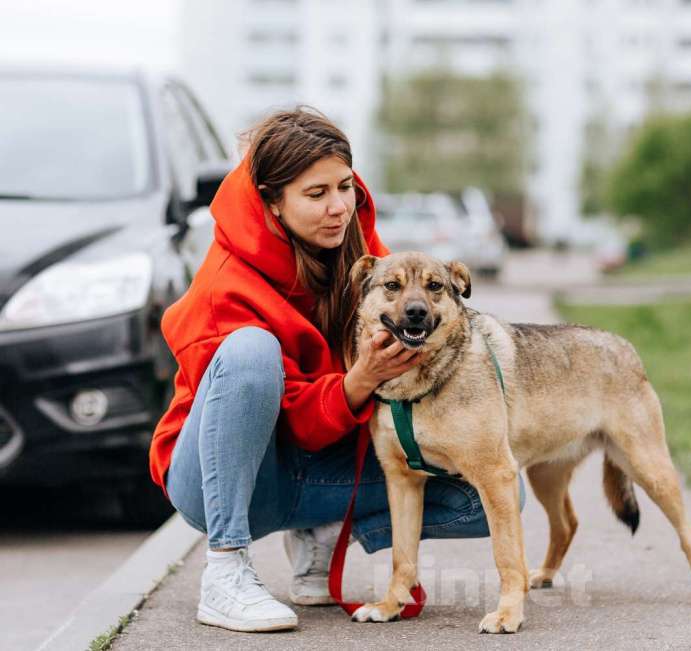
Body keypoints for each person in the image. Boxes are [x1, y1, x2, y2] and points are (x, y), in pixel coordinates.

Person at [148, 107, 524, 633]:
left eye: (344, 186)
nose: (338, 207)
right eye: (316, 193)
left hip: (318, 466)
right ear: (272, 202)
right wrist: (362, 379)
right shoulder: (225, 285)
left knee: (488, 494)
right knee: (251, 352)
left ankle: (323, 531)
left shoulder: (367, 257)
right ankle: (226, 570)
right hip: (224, 482)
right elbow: (296, 420)